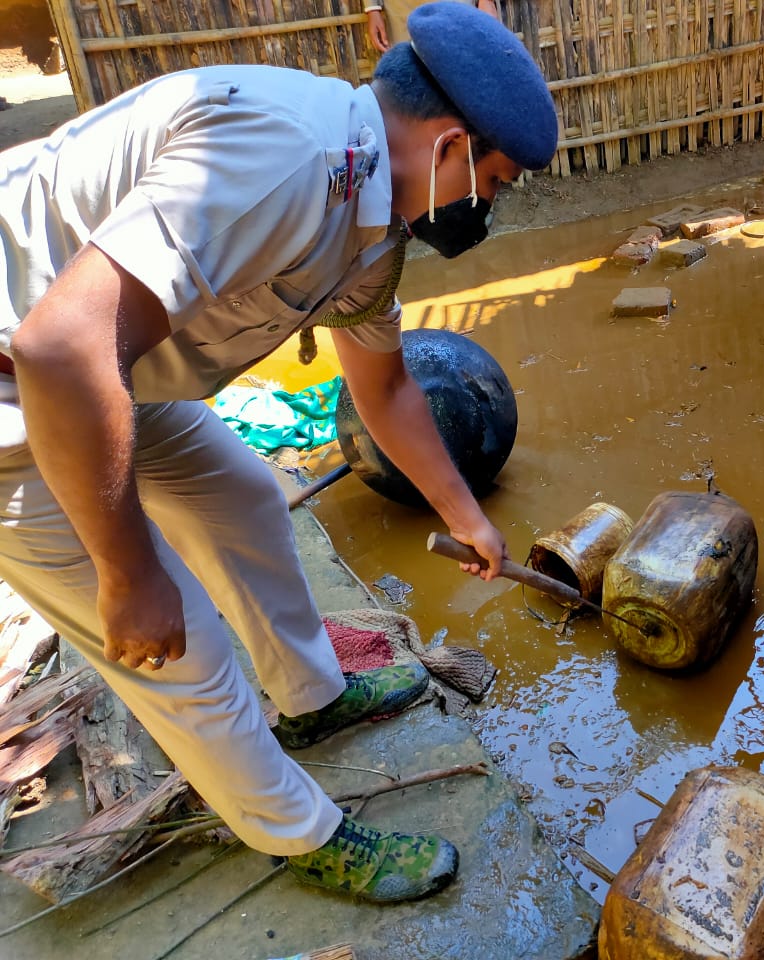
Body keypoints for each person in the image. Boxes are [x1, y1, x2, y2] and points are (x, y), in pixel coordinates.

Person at [0, 2, 558, 903]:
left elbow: (385, 391)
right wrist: (128, 569)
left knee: (243, 497)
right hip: (24, 385)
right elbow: (59, 348)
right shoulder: (290, 159)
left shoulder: (376, 223)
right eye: (493, 182)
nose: (486, 207)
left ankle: (310, 697)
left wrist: (466, 516)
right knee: (181, 648)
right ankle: (300, 835)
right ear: (451, 146)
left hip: (118, 370)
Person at [366, 0, 500, 55]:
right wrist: (372, 8)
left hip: (457, 6)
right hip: (402, 10)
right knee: (410, 81)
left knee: (463, 73)